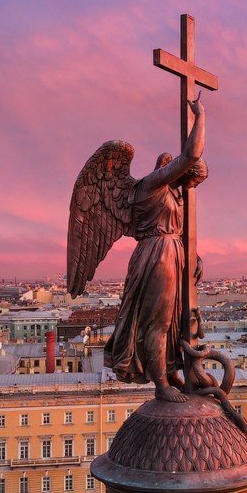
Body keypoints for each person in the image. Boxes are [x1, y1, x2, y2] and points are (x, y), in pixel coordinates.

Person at [73, 98, 208, 402]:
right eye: (171, 166)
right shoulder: (149, 186)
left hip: (174, 252)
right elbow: (192, 155)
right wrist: (201, 115)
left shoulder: (174, 196)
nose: (173, 168)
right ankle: (160, 382)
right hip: (157, 255)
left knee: (175, 320)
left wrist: (193, 254)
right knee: (157, 320)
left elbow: (182, 227)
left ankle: (172, 372)